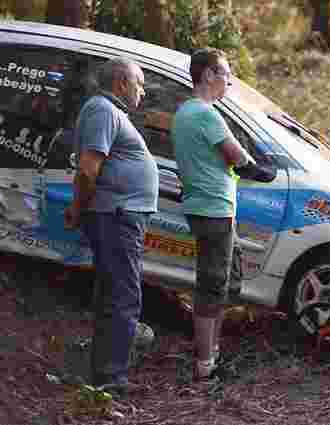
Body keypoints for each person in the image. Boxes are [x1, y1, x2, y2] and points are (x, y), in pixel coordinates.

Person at [64, 57, 158, 392]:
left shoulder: (108, 111)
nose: (142, 91)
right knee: (123, 296)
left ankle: (104, 376)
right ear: (121, 82)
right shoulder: (103, 109)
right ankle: (112, 381)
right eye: (140, 83)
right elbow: (88, 168)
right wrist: (77, 207)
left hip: (118, 215)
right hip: (116, 216)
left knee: (113, 294)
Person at [171, 48, 258, 381]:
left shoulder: (184, 113)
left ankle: (213, 354)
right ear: (208, 74)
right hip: (213, 208)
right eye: (226, 74)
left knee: (223, 282)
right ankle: (206, 363)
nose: (230, 81)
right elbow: (236, 155)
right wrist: (256, 168)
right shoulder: (205, 113)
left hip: (205, 205)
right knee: (212, 284)